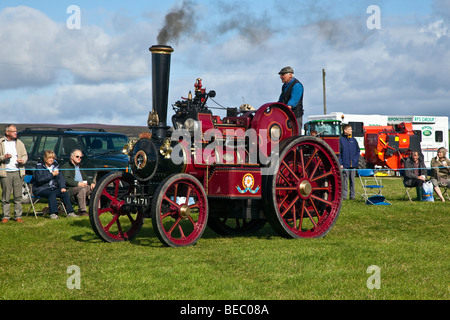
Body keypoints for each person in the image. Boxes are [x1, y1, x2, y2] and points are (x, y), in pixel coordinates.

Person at [32, 150, 78, 219]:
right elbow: (39, 180)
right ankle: (53, 214)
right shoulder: (39, 167)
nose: (51, 160)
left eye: (52, 158)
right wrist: (51, 174)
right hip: (41, 188)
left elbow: (61, 178)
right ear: (45, 158)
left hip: (52, 188)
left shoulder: (55, 167)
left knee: (64, 193)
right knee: (52, 193)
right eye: (49, 158)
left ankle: (70, 212)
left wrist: (62, 187)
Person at [0, 125, 28, 223]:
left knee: (18, 196)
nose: (16, 133)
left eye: (16, 131)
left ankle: (18, 216)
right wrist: (4, 157)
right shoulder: (1, 142)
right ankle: (5, 216)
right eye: (13, 131)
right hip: (5, 172)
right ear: (7, 132)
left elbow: (25, 155)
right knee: (6, 196)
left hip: (17, 172)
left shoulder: (19, 143)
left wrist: (22, 161)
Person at [61, 149, 95, 215]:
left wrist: (92, 183)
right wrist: (78, 184)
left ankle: (96, 209)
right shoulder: (67, 166)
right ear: (72, 157)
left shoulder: (79, 166)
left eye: (80, 157)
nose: (79, 158)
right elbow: (66, 180)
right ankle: (82, 211)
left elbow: (86, 178)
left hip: (82, 186)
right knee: (81, 189)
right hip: (70, 189)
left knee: (95, 189)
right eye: (77, 156)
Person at [278, 66, 304, 130]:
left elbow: (292, 102)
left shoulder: (297, 85)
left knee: (295, 135)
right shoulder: (284, 86)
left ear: (290, 75)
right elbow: (281, 100)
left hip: (295, 117)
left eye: (282, 75)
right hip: (287, 115)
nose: (280, 77)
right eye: (280, 75)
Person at [339, 124, 360, 200]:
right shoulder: (341, 140)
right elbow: (339, 153)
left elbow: (358, 150)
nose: (351, 131)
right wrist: (341, 163)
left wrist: (356, 159)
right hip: (345, 164)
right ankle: (344, 196)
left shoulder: (353, 140)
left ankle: (352, 196)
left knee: (352, 181)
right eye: (350, 129)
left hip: (353, 164)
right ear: (345, 130)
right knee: (345, 181)